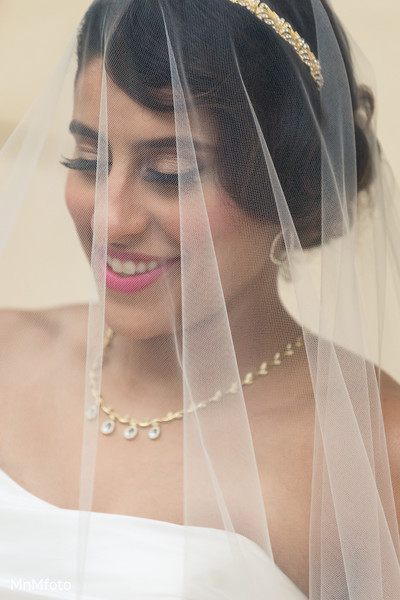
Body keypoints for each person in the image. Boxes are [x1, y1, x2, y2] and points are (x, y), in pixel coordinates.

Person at [0, 0, 400, 598]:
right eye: (89, 160)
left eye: (170, 172)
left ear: (285, 184)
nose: (111, 220)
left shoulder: (372, 457)